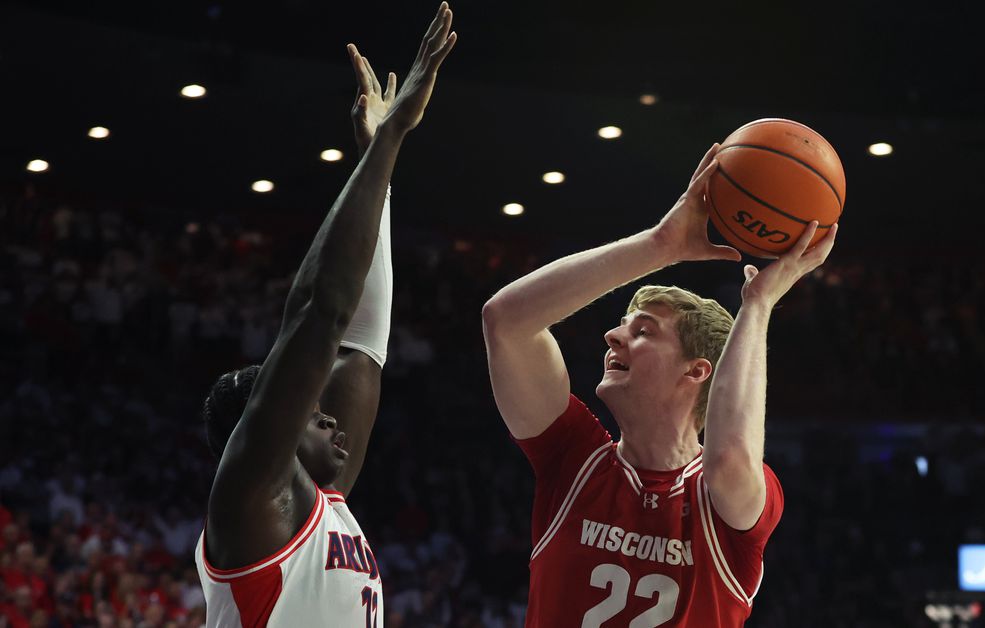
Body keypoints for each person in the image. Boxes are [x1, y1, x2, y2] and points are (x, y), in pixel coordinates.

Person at [482, 143, 838, 626]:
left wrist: (758, 303)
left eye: (643, 331)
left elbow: (730, 458)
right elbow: (506, 321)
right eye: (622, 326)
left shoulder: (723, 496)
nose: (612, 337)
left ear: (696, 371)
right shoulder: (575, 458)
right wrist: (660, 245)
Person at [193, 4, 456, 626]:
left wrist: (378, 170)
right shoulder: (250, 500)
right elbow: (322, 311)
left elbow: (363, 346)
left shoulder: (321, 505)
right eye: (313, 414)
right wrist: (389, 141)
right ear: (264, 428)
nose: (332, 419)